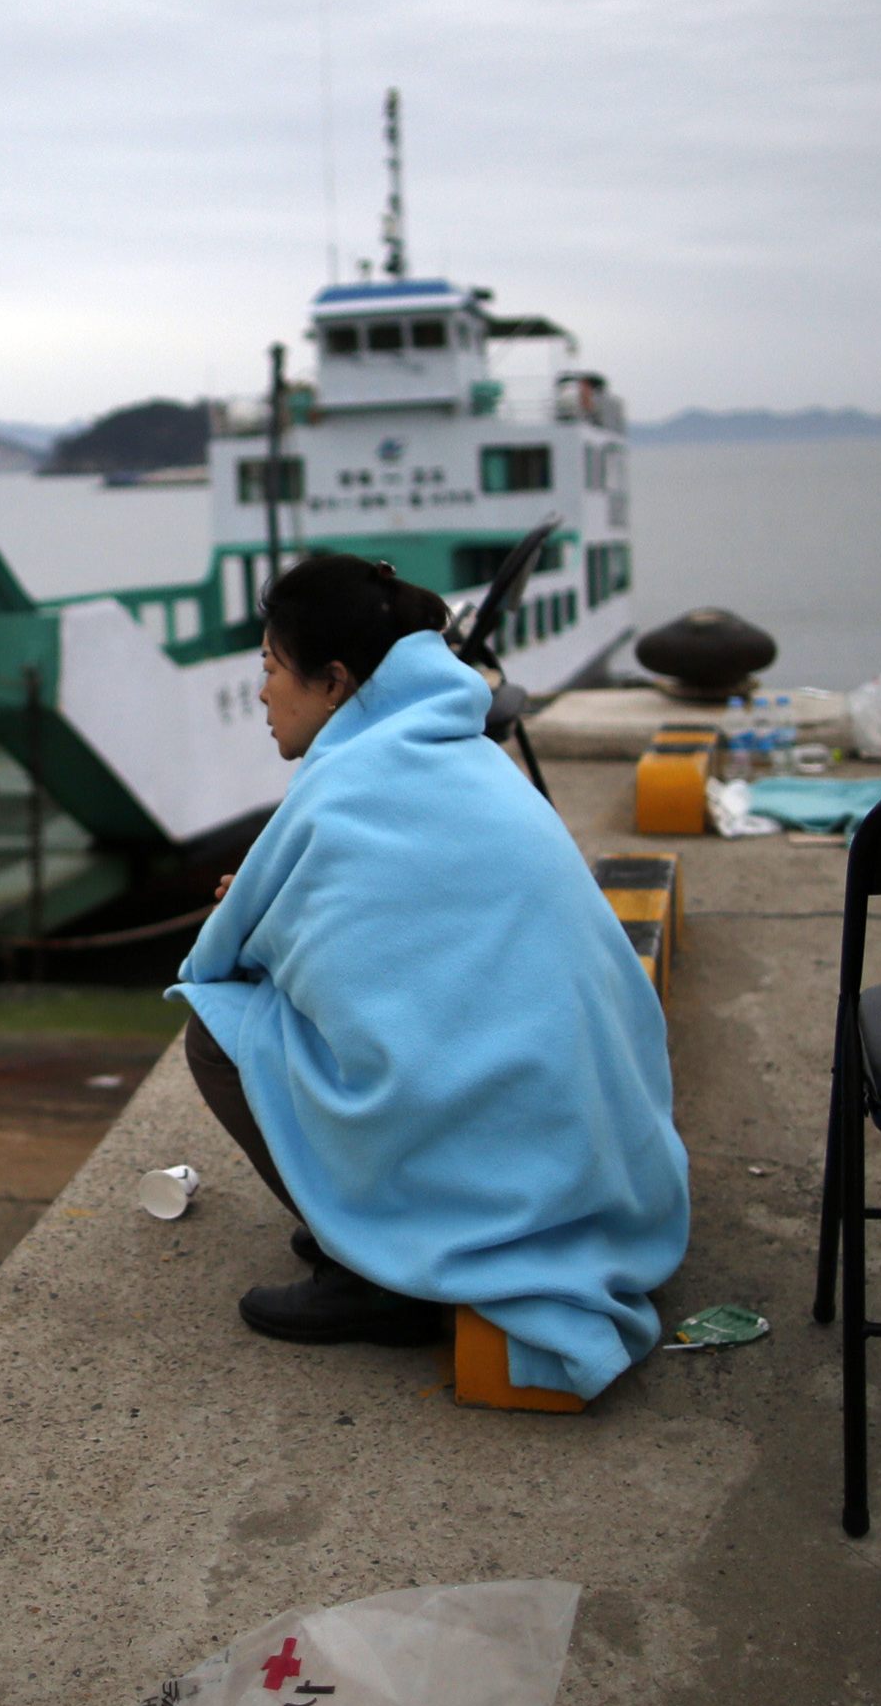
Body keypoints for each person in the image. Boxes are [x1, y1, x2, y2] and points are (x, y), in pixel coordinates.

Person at [171, 553, 690, 1402]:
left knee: (217, 1029)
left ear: (334, 681)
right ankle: (369, 1217)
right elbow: (388, 924)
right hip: (589, 1137)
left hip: (522, 1146)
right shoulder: (455, 751)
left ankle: (373, 1276)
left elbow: (256, 959)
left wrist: (260, 913)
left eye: (271, 669)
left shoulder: (352, 780)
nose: (263, 694)